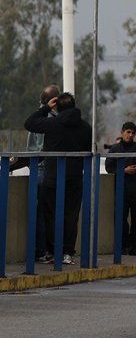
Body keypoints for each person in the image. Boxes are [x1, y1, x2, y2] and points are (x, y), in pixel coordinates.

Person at [24, 92, 91, 265]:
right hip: (75, 177)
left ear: (57, 107)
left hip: (53, 176)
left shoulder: (53, 123)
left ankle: (53, 252)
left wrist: (46, 107)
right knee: (71, 214)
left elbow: (29, 123)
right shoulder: (85, 127)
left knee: (50, 214)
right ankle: (68, 252)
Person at [10, 85, 60, 261]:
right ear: (55, 100)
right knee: (47, 212)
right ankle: (44, 250)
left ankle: (40, 250)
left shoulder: (36, 117)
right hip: (45, 168)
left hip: (34, 167)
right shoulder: (50, 119)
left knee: (39, 211)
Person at [105, 122, 136, 255]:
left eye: (133, 133)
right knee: (121, 220)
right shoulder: (115, 149)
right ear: (122, 132)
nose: (130, 135)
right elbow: (108, 167)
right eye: (128, 132)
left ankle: (135, 248)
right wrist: (124, 170)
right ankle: (122, 247)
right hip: (122, 190)